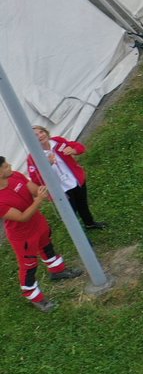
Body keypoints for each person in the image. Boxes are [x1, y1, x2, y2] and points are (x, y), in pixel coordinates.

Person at [1, 156, 85, 312]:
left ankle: (57, 271)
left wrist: (44, 192)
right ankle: (34, 296)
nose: (10, 165)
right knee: (29, 266)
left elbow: (34, 188)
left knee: (47, 247)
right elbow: (22, 217)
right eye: (5, 166)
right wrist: (39, 200)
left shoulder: (16, 175)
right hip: (23, 237)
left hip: (38, 224)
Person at [26, 126, 102, 230]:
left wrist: (74, 150)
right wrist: (47, 165)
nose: (40, 136)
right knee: (71, 213)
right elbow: (35, 179)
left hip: (75, 181)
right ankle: (79, 235)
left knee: (83, 205)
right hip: (61, 190)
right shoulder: (33, 157)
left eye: (41, 132)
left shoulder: (58, 141)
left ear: (46, 132)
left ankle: (89, 223)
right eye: (35, 135)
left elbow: (79, 147)